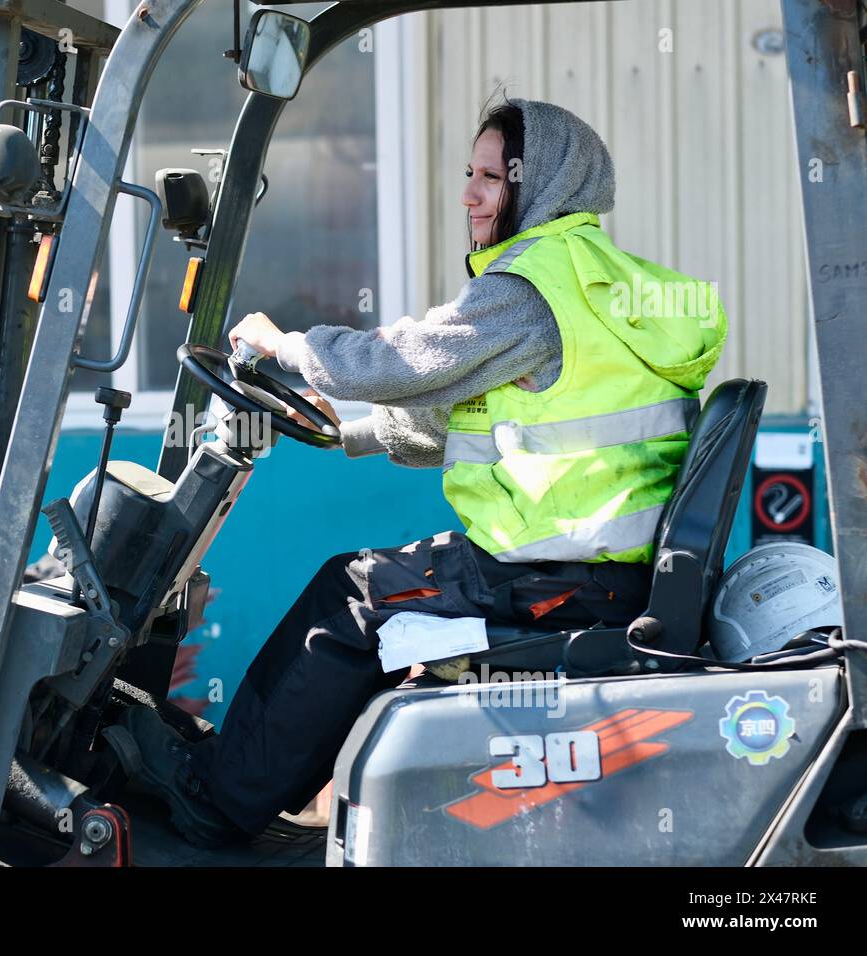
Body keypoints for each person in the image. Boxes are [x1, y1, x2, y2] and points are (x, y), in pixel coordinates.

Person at [117, 96, 727, 848]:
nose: (469, 193)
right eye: (468, 173)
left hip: (548, 580)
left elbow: (401, 361)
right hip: (588, 569)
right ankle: (269, 793)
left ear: (541, 185)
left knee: (348, 603)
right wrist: (345, 432)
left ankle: (218, 802)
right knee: (359, 587)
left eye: (490, 177)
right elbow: (475, 414)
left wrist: (285, 344)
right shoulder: (599, 288)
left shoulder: (531, 289)